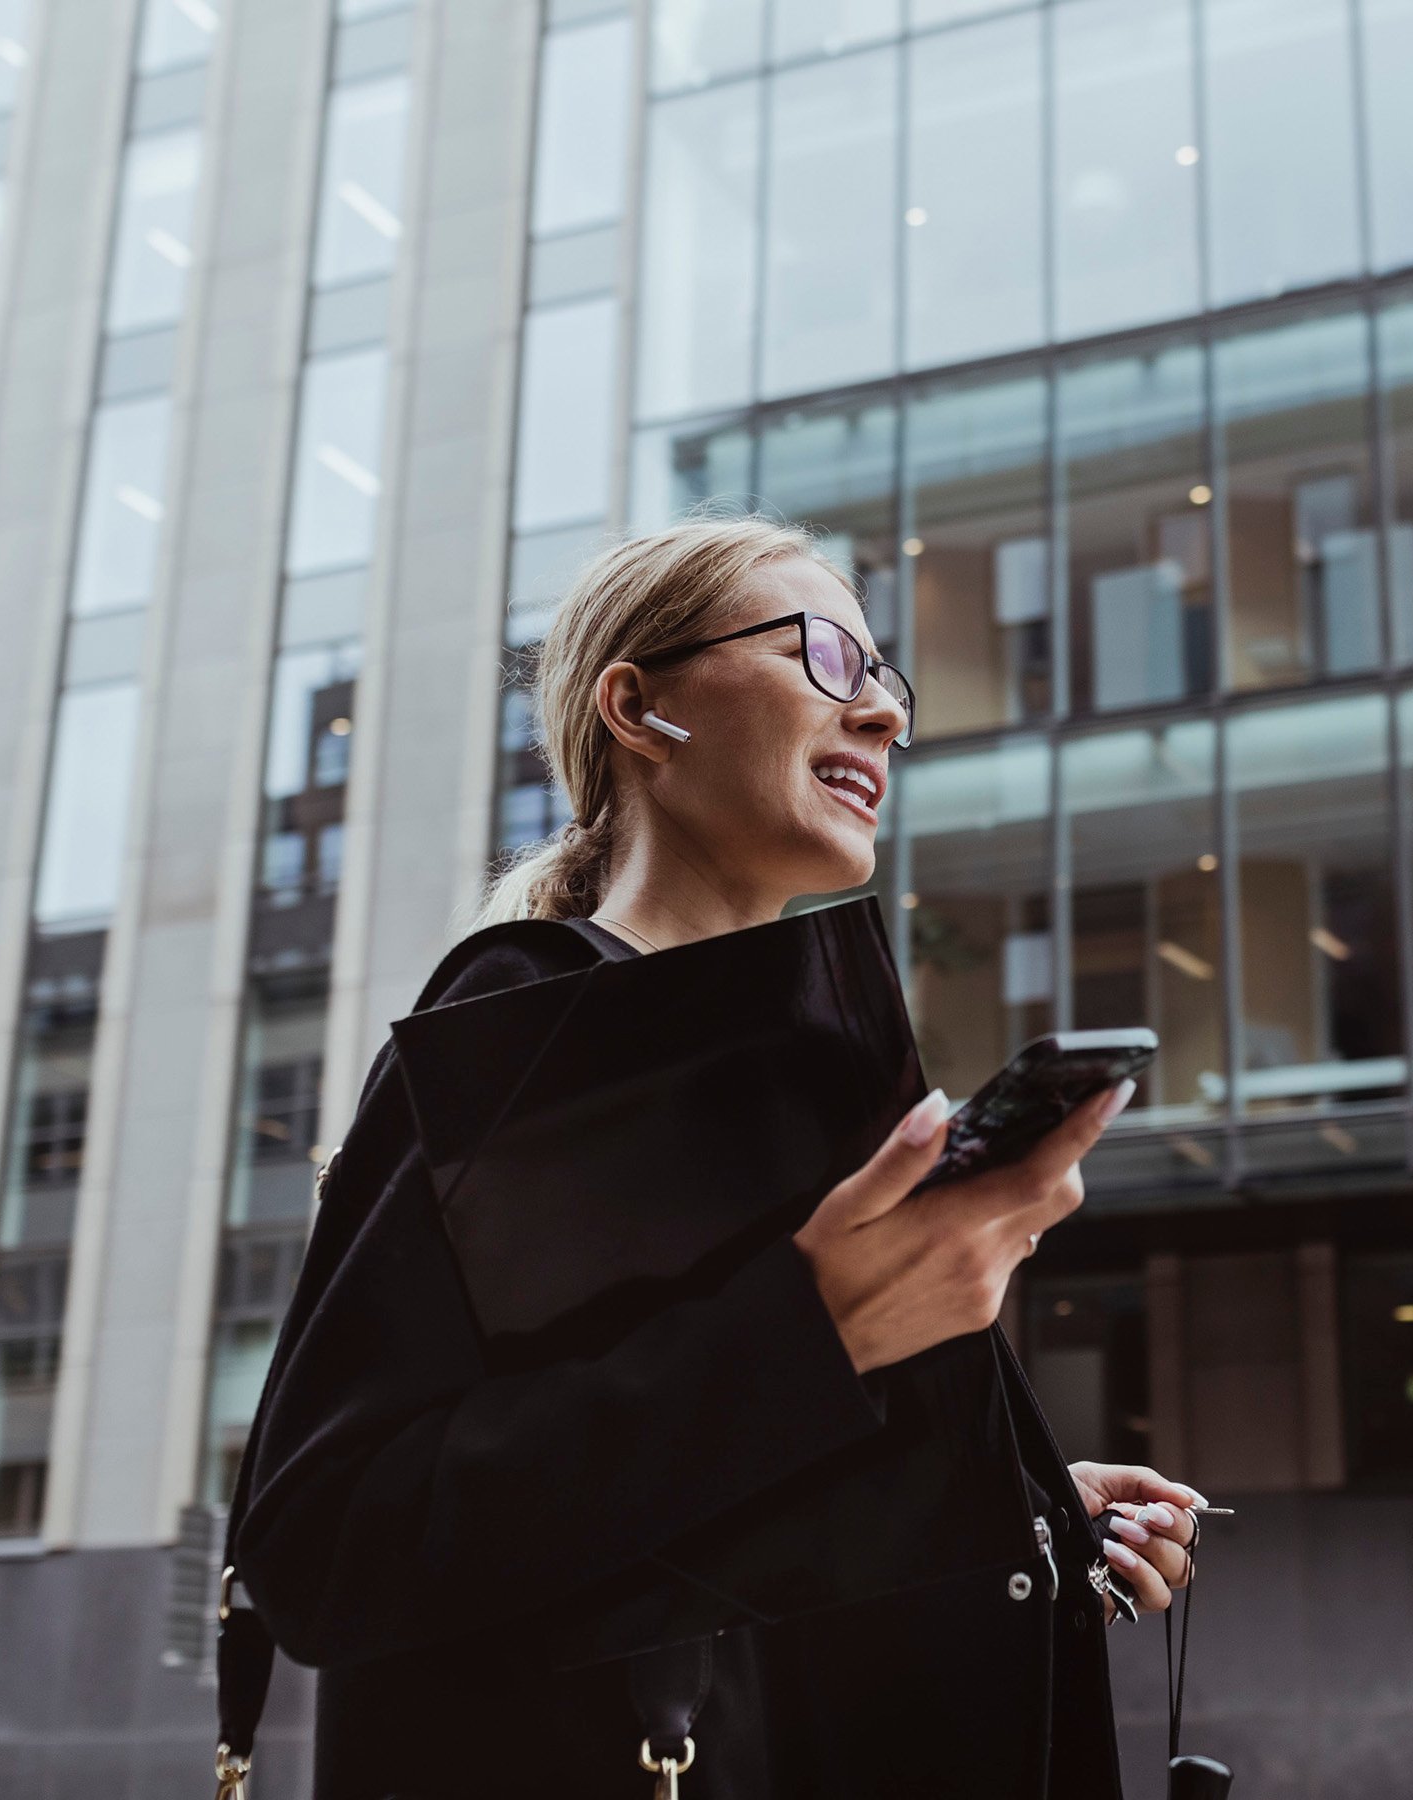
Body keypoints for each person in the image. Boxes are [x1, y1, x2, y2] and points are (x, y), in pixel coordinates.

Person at [231, 513, 1206, 1799]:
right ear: (638, 708)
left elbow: (679, 1519)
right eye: (826, 658)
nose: (886, 720)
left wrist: (1017, 1514)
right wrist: (826, 1327)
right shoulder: (533, 1018)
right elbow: (329, 1542)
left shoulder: (767, 1073)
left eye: (889, 685)